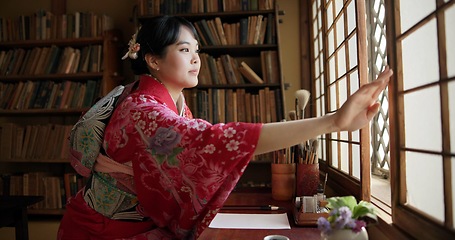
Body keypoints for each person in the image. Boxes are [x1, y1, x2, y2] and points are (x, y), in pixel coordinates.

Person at [57, 15, 393, 240]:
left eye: (197, 51)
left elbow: (189, 152)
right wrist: (332, 121)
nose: (196, 59)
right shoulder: (142, 111)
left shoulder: (164, 105)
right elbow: (212, 142)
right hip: (102, 231)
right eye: (184, 50)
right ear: (153, 60)